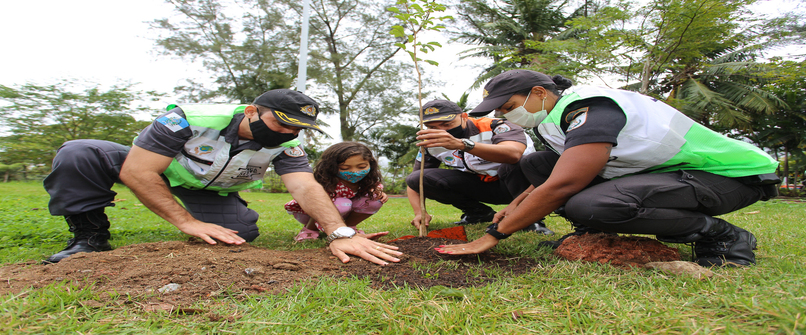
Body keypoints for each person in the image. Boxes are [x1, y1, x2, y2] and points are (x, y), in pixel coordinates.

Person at [436, 70, 780, 268]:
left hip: (729, 176)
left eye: (510, 107)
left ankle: (722, 236)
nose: (507, 116)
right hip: (669, 173)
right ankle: (593, 232)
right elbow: (552, 174)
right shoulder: (551, 121)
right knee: (536, 162)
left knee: (590, 203)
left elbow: (564, 185)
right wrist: (515, 206)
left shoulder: (590, 107)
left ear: (538, 93)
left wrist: (493, 235)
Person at [43, 89, 402, 266]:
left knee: (239, 235)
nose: (287, 133)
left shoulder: (287, 146)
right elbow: (138, 171)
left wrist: (338, 232)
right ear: (251, 111)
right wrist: (185, 222)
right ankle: (89, 237)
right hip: (165, 171)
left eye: (297, 128)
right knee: (81, 151)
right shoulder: (190, 117)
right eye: (281, 123)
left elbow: (305, 185)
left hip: (210, 189)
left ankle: (213, 215)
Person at [406, 99, 554, 235]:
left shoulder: (496, 126)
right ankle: (478, 213)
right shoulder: (430, 143)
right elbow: (415, 182)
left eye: (447, 124)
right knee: (417, 177)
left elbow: (513, 154)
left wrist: (461, 144)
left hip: (520, 184)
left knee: (511, 165)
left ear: (464, 117)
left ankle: (530, 218)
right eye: (432, 127)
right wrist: (419, 212)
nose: (442, 131)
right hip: (483, 186)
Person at [285, 141, 390, 241]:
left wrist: (377, 192)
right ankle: (309, 230)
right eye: (344, 168)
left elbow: (374, 188)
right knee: (343, 204)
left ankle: (349, 228)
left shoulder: (367, 179)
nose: (355, 172)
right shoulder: (327, 182)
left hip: (342, 211)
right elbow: (317, 205)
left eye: (362, 167)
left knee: (375, 200)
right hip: (310, 213)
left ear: (370, 164)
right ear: (331, 167)